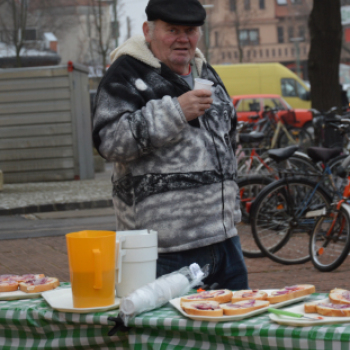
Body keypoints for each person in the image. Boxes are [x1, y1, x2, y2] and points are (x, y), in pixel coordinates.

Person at [92, 0, 248, 290]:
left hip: (225, 243)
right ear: (148, 31)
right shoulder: (124, 75)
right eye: (172, 29)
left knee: (231, 331)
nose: (182, 38)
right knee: (171, 334)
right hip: (162, 253)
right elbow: (109, 141)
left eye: (189, 30)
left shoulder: (206, 74)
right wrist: (175, 112)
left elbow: (228, 137)